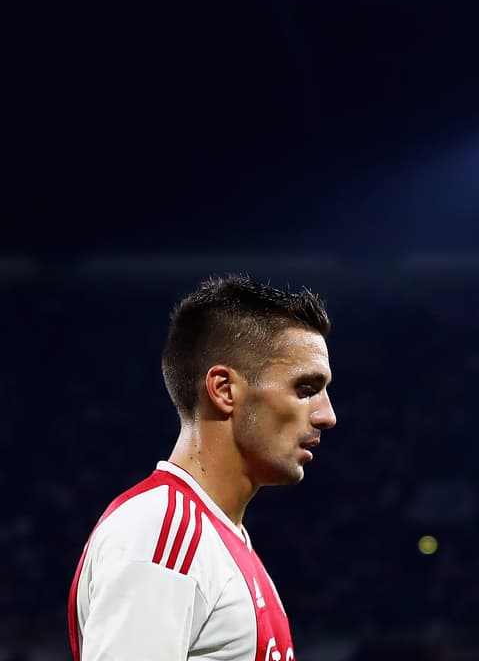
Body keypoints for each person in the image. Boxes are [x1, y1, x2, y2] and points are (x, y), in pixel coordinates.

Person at [68, 275, 338, 661]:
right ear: (225, 390)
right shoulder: (162, 532)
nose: (327, 416)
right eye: (305, 389)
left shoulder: (215, 536)